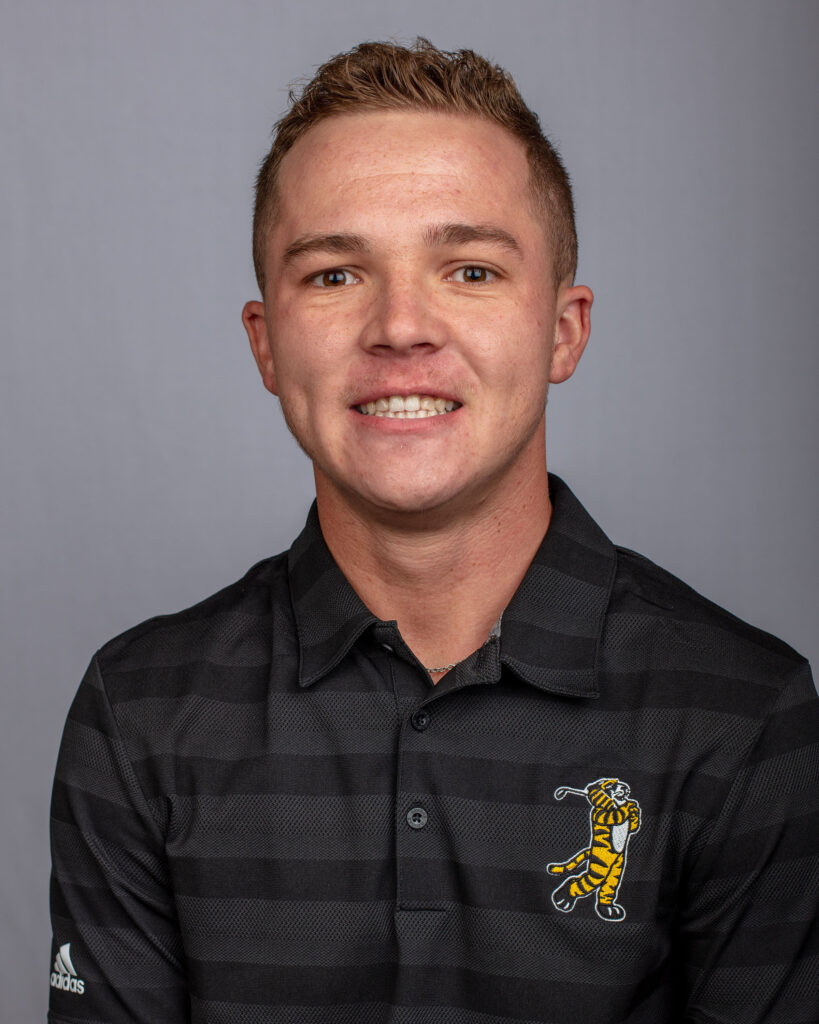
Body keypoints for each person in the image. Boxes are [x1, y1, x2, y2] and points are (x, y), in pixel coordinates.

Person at [48, 38, 818, 1024]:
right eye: (334, 275)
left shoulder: (744, 718)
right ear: (265, 343)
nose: (401, 326)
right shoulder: (142, 710)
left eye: (469, 269)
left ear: (563, 330)